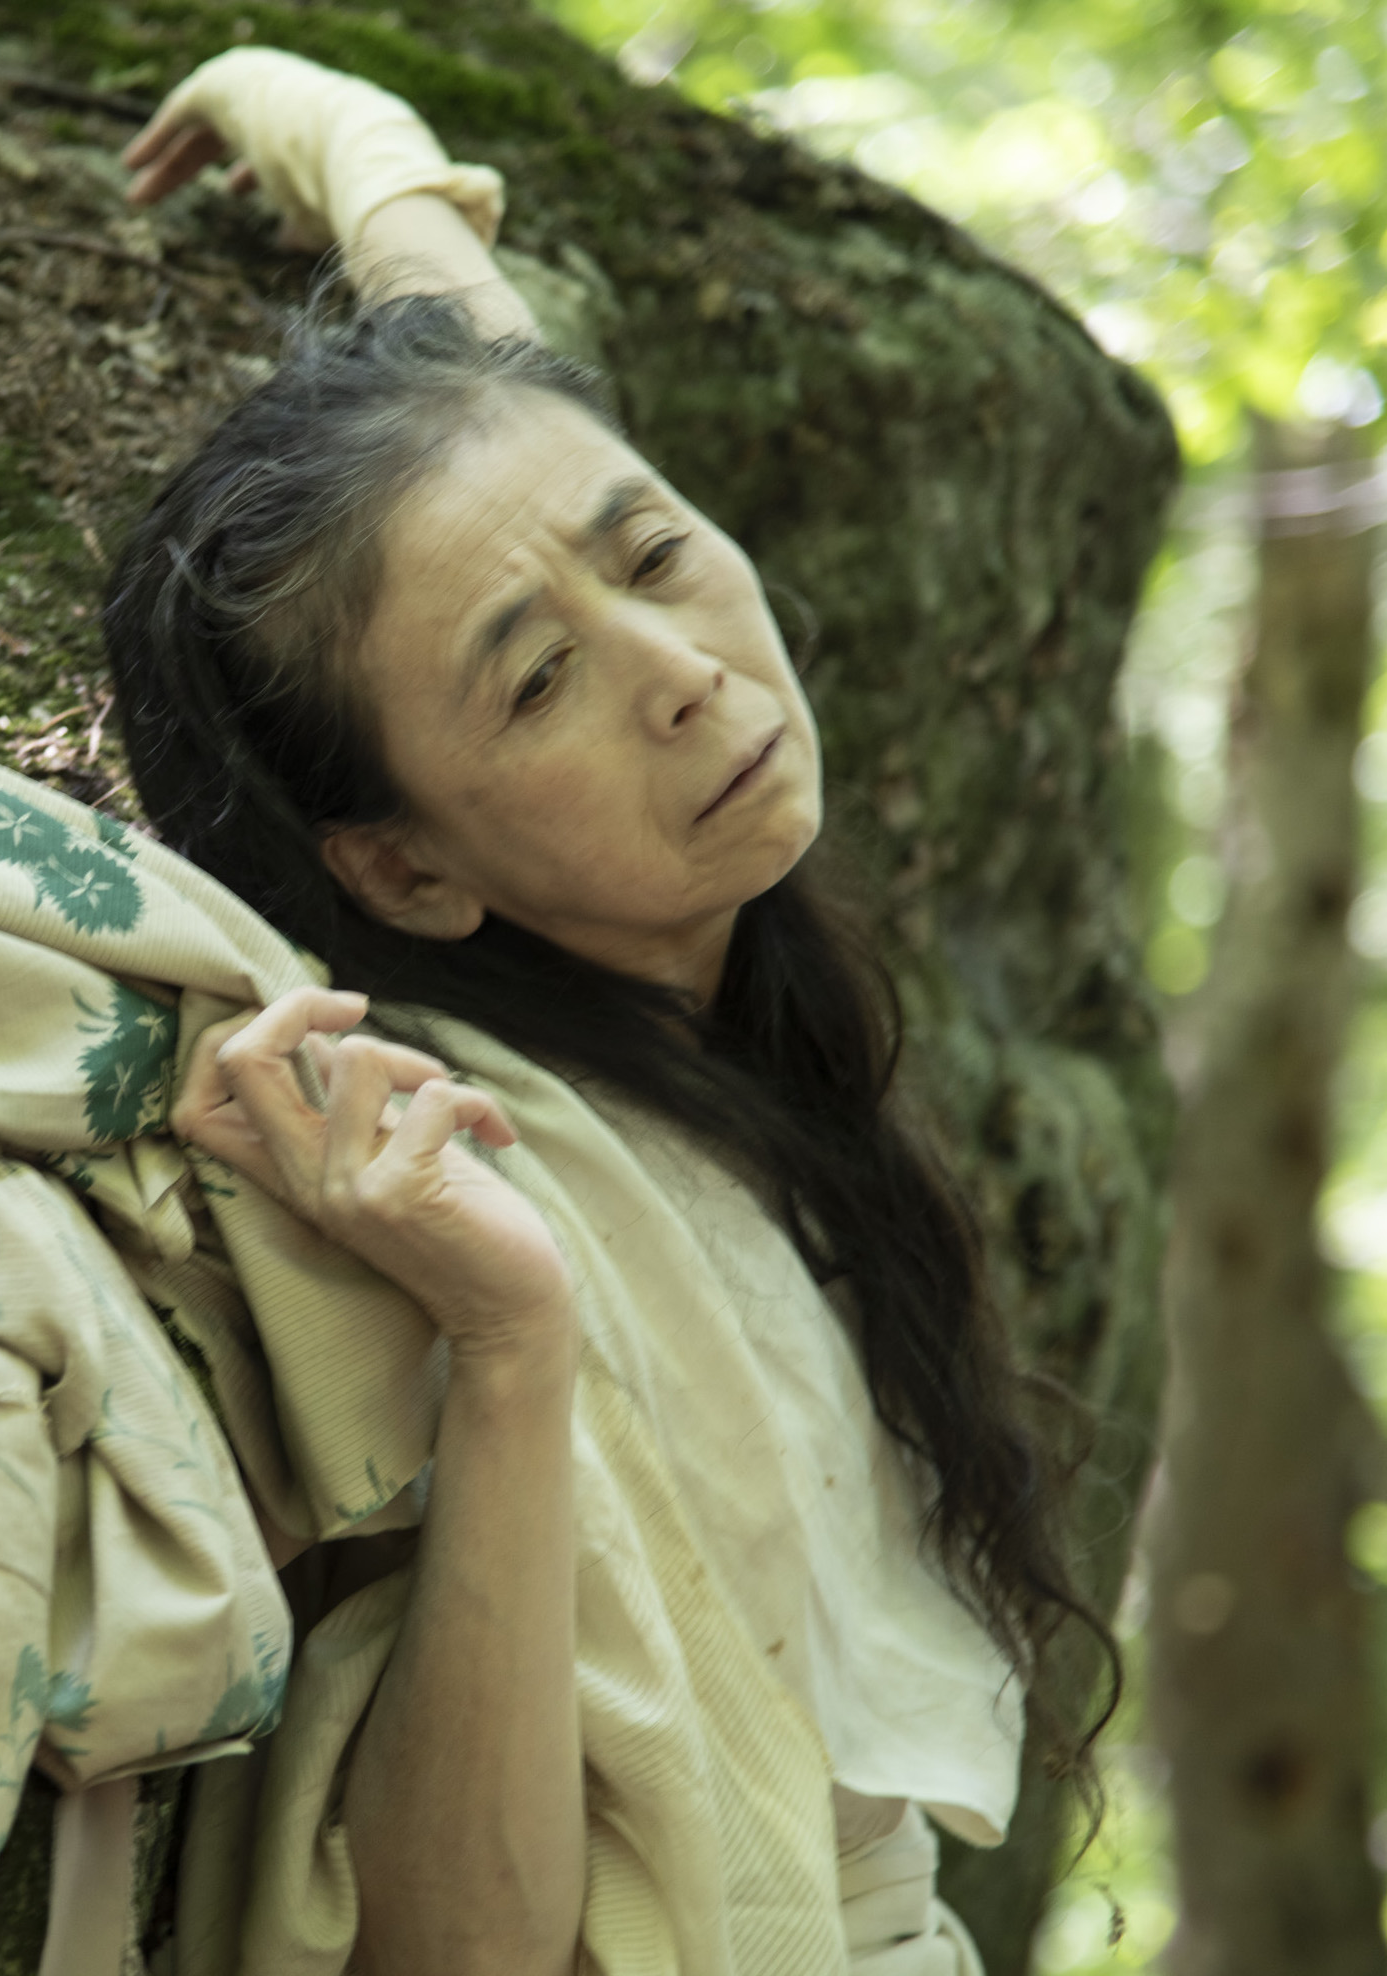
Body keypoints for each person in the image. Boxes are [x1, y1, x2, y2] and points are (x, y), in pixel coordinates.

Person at [104, 48, 1114, 1976]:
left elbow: (491, 378)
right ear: (403, 873)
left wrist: (322, 120)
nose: (678, 668)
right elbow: (453, 1954)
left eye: (654, 551)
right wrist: (508, 1343)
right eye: (536, 685)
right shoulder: (494, 1170)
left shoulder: (620, 733)